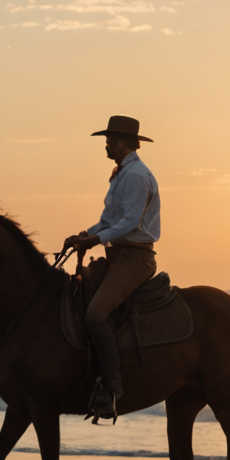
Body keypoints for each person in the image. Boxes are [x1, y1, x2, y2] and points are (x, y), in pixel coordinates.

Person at [61, 115, 160, 422]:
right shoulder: (121, 174)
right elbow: (108, 221)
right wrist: (84, 236)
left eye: (107, 140)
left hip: (135, 259)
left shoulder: (135, 177)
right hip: (118, 255)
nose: (105, 144)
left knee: (95, 314)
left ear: (119, 142)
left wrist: (94, 240)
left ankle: (112, 391)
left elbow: (129, 223)